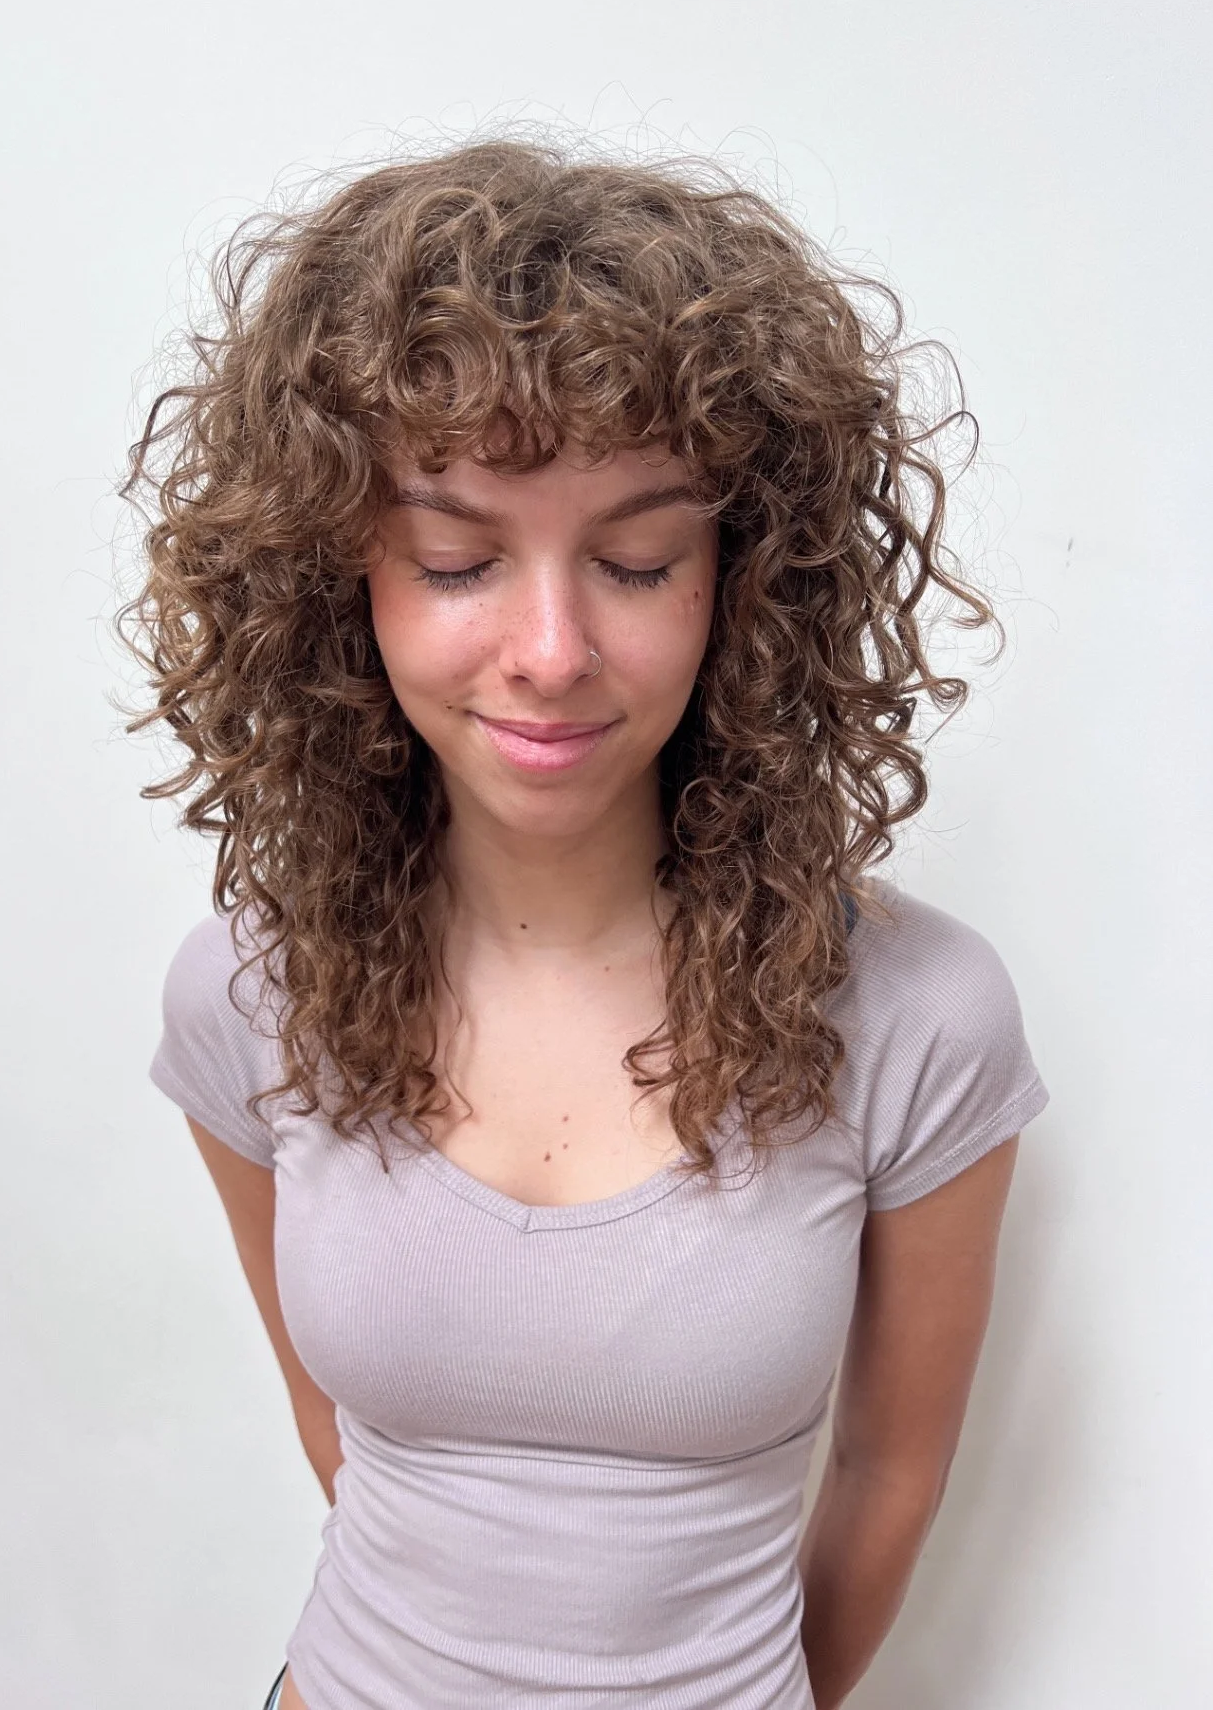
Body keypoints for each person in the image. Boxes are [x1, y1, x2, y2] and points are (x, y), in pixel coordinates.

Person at [116, 134, 1050, 1710]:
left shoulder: (917, 1016)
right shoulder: (249, 994)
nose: (550, 651)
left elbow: (890, 1479)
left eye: (634, 559)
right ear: (347, 573)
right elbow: (348, 1441)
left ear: (742, 581)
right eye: (458, 557)